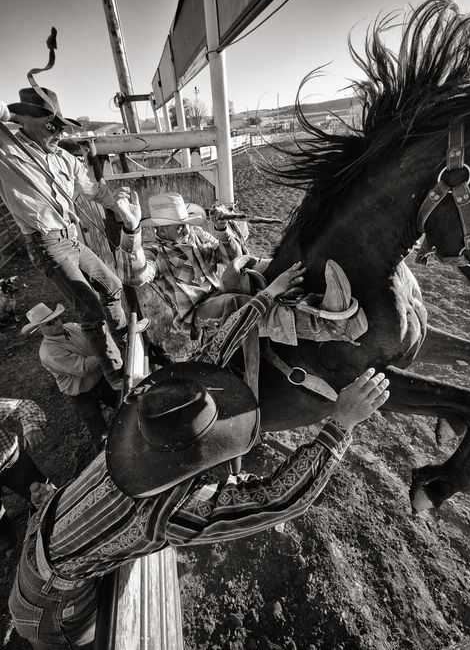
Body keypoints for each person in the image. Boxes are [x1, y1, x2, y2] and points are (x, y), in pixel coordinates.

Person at [9, 263, 390, 649]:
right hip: (51, 606)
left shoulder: (134, 432)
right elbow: (277, 500)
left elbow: (212, 352)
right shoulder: (170, 510)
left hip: (44, 548)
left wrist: (266, 295)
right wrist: (340, 424)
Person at [0, 87, 132, 388]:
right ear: (27, 121)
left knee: (111, 285)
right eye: (53, 125)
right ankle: (115, 376)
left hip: (71, 239)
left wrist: (120, 208)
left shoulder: (63, 158)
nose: (60, 132)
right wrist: (11, 114)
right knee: (90, 308)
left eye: (61, 126)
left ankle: (125, 339)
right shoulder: (6, 147)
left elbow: (96, 191)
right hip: (46, 242)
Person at [115, 191, 252, 341]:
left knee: (254, 281)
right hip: (196, 312)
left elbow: (234, 261)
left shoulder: (197, 234)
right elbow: (134, 277)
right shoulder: (155, 252)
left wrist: (222, 229)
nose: (187, 229)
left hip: (221, 293)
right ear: (162, 230)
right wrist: (131, 230)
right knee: (237, 303)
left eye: (186, 223)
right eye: (179, 227)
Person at [22, 302, 118, 451]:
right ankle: (106, 456)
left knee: (122, 402)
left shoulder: (72, 326)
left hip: (100, 378)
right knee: (98, 431)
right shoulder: (49, 353)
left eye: (57, 318)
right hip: (81, 392)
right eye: (50, 323)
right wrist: (108, 351)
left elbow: (94, 337)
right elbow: (83, 368)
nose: (57, 323)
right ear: (40, 330)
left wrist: (104, 348)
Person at [0, 397, 47, 557]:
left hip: (13, 463)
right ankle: (7, 543)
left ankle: (60, 518)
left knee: (46, 497)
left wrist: (31, 426)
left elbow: (21, 405)